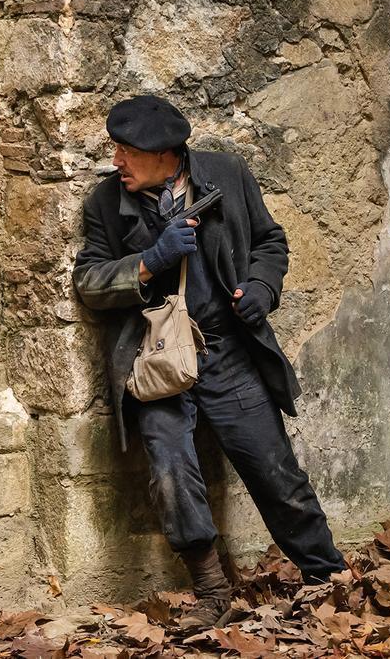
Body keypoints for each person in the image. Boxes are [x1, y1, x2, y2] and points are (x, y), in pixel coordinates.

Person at [72, 95, 347, 630]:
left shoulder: (226, 174)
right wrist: (151, 262)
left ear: (167, 153)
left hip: (227, 352)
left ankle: (328, 578)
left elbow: (271, 241)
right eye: (115, 149)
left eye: (127, 151)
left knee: (275, 472)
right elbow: (89, 283)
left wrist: (264, 287)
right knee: (171, 471)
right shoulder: (105, 203)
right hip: (157, 361)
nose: (116, 162)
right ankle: (212, 590)